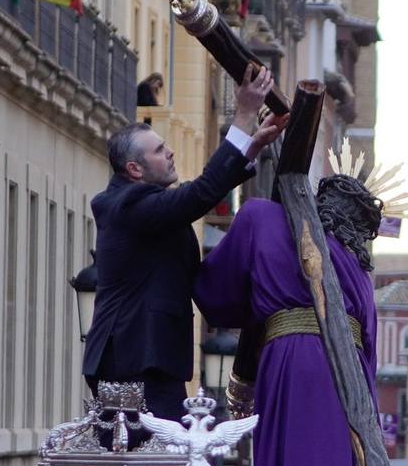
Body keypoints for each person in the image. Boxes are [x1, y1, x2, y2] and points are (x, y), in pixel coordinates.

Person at [193, 172, 387, 466]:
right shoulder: (358, 273)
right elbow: (371, 350)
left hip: (291, 361)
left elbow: (215, 295)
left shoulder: (262, 217)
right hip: (350, 379)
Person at [82, 65, 285, 422]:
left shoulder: (148, 207)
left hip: (154, 358)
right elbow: (201, 193)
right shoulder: (129, 205)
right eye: (160, 150)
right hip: (134, 359)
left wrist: (250, 149)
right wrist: (245, 115)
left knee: (167, 463)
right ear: (134, 170)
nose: (171, 152)